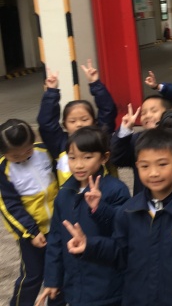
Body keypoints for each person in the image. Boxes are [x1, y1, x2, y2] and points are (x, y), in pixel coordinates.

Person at [63, 128, 172, 305]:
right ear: (137, 166)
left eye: (162, 164)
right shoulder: (129, 211)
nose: (153, 173)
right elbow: (121, 253)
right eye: (145, 166)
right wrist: (89, 246)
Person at [38, 126, 130, 306]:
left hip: (107, 286)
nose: (78, 165)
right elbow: (56, 239)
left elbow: (123, 229)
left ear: (104, 157)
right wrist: (52, 279)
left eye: (87, 157)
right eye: (72, 158)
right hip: (74, 285)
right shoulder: (64, 193)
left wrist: (99, 208)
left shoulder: (116, 189)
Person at [0, 119, 66, 306]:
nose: (22, 157)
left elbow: (61, 178)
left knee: (59, 270)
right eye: (15, 156)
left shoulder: (44, 152)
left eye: (27, 151)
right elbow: (9, 206)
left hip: (58, 225)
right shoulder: (3, 170)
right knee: (33, 275)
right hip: (30, 233)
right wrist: (31, 232)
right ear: (4, 152)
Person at [37, 60, 117, 183]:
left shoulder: (100, 137)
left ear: (94, 121)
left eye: (84, 119)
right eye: (72, 121)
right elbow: (46, 123)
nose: (79, 124)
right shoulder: (59, 143)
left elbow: (108, 111)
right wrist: (51, 92)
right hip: (70, 193)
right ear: (65, 125)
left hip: (103, 191)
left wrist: (95, 84)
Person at [110, 95, 172, 194]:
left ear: (168, 113)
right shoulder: (137, 140)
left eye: (154, 111)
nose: (148, 115)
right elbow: (117, 159)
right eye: (143, 113)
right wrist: (125, 130)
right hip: (143, 197)